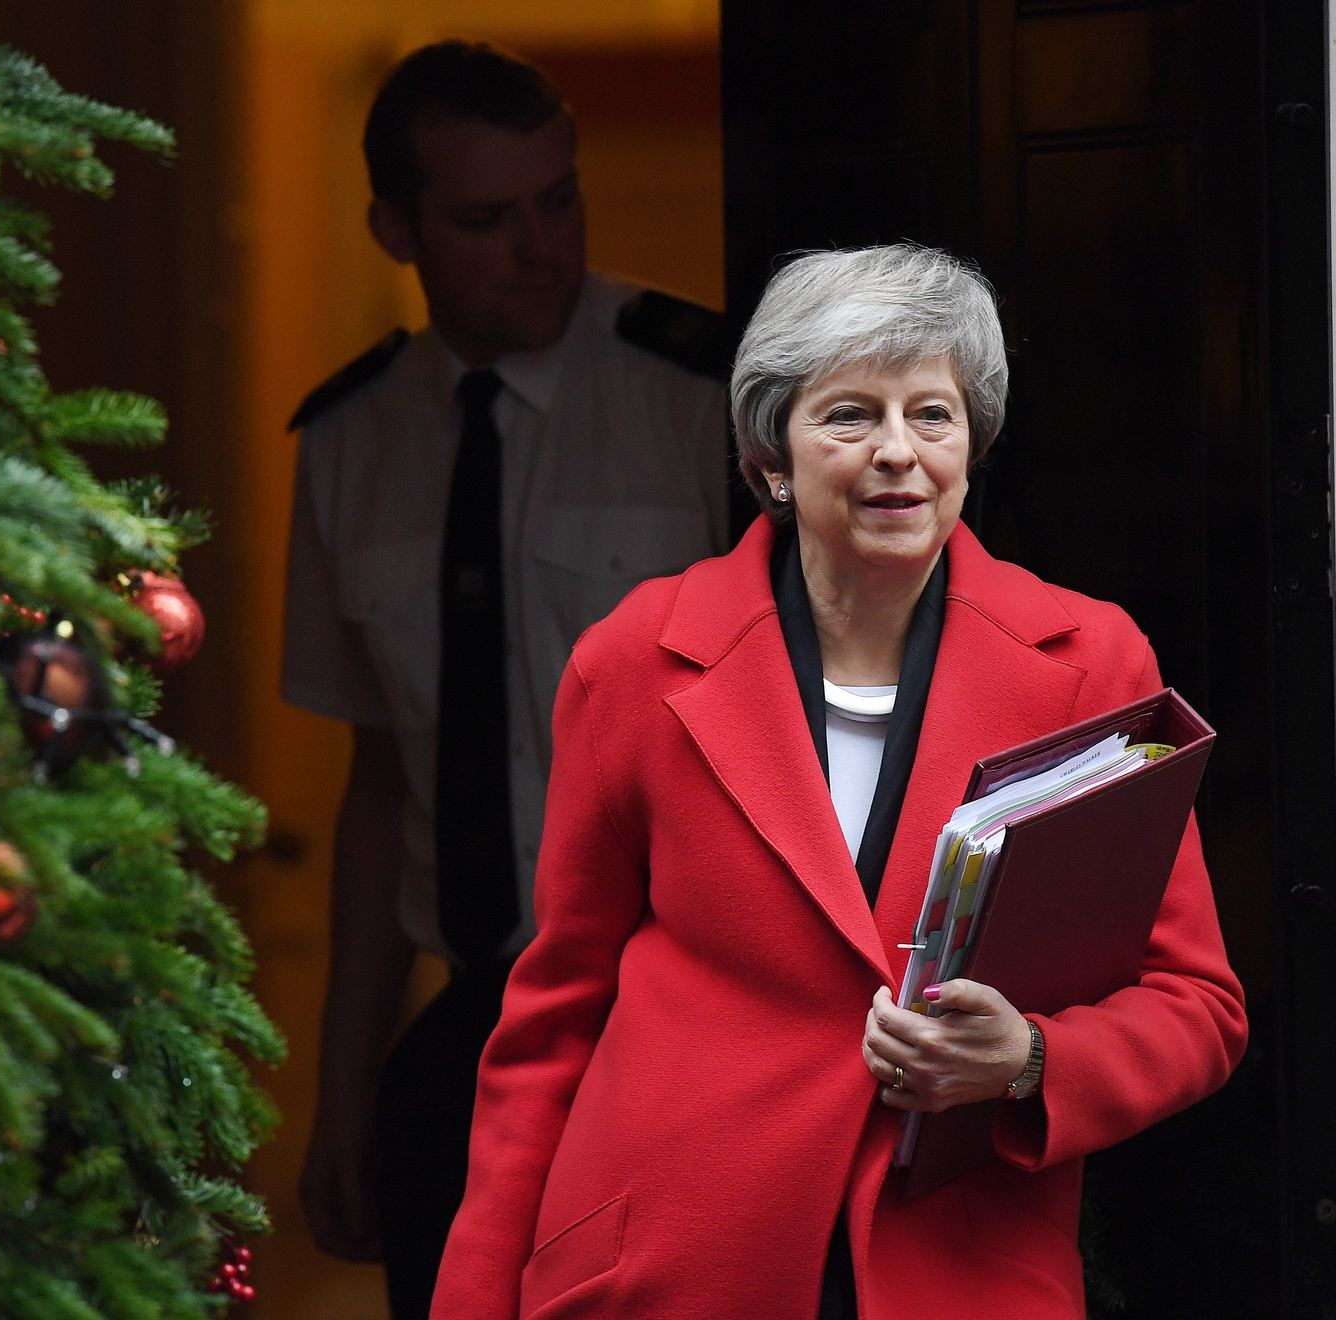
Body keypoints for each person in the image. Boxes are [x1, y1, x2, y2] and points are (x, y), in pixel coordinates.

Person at [430, 243, 1248, 1318]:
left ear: (973, 445)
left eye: (932, 415)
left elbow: (1198, 1005)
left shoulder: (1091, 666)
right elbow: (552, 1022)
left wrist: (1031, 1058)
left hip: (954, 1271)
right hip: (675, 1265)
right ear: (772, 455)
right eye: (851, 415)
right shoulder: (633, 663)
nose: (898, 452)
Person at [279, 40, 733, 1319]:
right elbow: (382, 785)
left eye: (559, 200)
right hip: (470, 1036)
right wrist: (344, 1095)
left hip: (679, 1022)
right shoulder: (349, 441)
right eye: (487, 220)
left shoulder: (697, 394)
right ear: (397, 230)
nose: (541, 249)